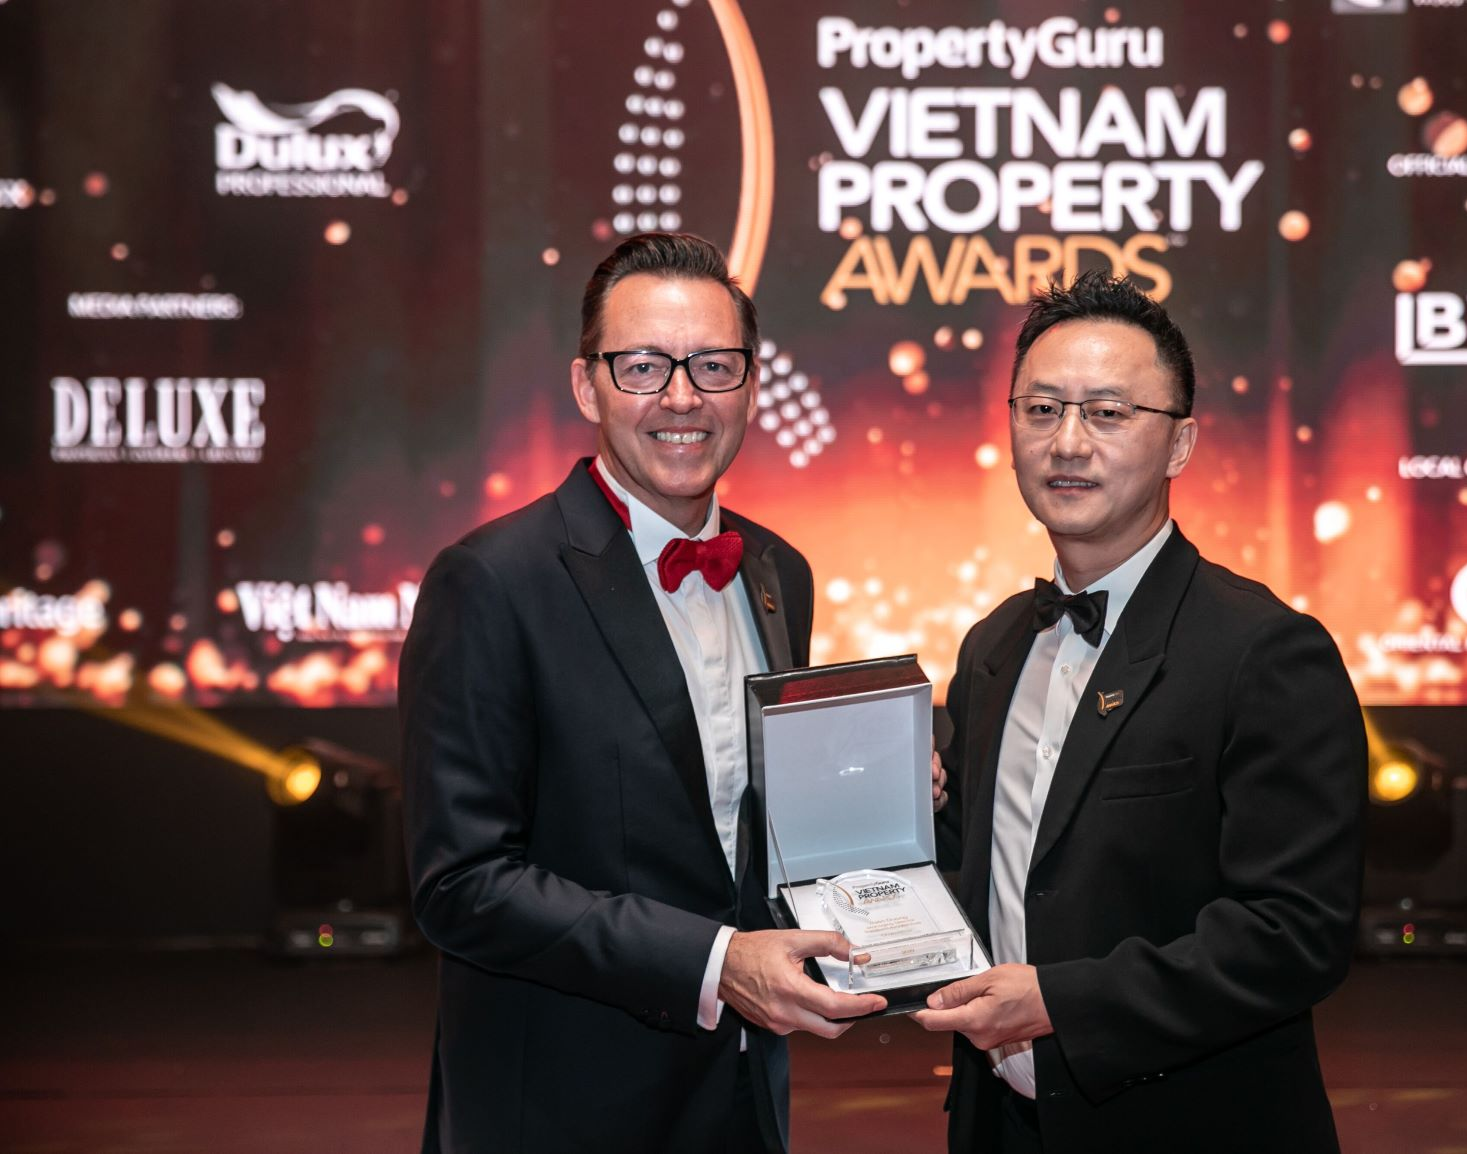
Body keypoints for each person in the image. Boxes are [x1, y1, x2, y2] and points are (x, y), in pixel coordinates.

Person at [399, 232, 889, 1154]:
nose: (681, 397)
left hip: (741, 1094)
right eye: (642, 366)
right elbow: (461, 884)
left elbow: (737, 827)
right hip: (561, 1106)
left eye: (713, 366)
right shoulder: (493, 580)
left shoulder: (778, 570)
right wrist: (714, 962)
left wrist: (874, 786)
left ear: (750, 385)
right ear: (587, 386)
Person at [914, 270, 1367, 1152]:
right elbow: (989, 868)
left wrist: (1060, 1001)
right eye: (1041, 410)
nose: (1067, 442)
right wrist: (906, 814)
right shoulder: (992, 646)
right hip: (1001, 1124)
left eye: (1108, 413)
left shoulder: (1264, 650)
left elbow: (1295, 933)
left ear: (1179, 444)